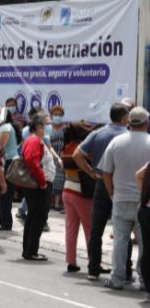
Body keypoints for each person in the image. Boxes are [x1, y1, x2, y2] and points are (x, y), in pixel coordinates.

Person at [72, 103, 130, 281]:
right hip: (121, 186)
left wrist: (91, 172)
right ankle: (125, 270)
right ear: (123, 118)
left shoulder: (97, 133)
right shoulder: (127, 136)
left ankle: (93, 269)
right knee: (123, 230)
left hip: (100, 185)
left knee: (96, 229)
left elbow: (76, 155)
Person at [99, 106, 150, 290]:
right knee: (145, 244)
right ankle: (145, 281)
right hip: (144, 202)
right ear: (146, 123)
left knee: (120, 241)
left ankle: (117, 278)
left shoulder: (116, 142)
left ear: (129, 122)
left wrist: (111, 192)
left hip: (120, 198)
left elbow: (106, 172)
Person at [21, 112, 50, 261]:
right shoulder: (33, 140)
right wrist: (43, 181)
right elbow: (31, 160)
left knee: (33, 216)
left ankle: (29, 250)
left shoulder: (34, 139)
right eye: (46, 124)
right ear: (39, 127)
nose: (48, 127)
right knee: (38, 217)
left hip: (36, 184)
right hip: (37, 185)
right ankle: (31, 250)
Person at [0, 110, 22, 231]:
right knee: (2, 193)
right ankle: (1, 219)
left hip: (9, 162)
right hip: (9, 161)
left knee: (6, 194)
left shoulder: (6, 127)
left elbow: (1, 146)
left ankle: (6, 223)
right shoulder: (7, 126)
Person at [136, 162, 150, 303]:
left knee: (147, 252)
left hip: (145, 210)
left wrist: (144, 196)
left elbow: (138, 175)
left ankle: (148, 290)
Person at [50, 105, 67, 211]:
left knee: (60, 179)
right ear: (52, 115)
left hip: (62, 156)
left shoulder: (65, 128)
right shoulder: (48, 128)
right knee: (51, 178)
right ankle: (51, 202)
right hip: (50, 156)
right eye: (55, 114)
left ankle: (57, 203)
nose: (58, 116)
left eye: (60, 115)